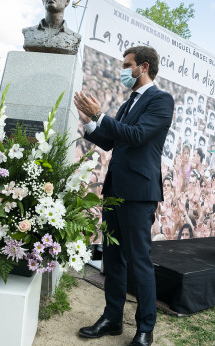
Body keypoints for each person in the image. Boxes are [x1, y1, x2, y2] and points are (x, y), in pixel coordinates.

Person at [74, 45, 173, 346]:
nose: (123, 70)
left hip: (139, 192)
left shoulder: (161, 100)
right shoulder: (128, 102)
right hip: (115, 189)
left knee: (139, 261)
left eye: (127, 65)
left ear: (143, 67)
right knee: (113, 259)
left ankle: (145, 328)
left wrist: (100, 114)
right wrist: (90, 121)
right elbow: (109, 140)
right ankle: (112, 319)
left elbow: (137, 135)